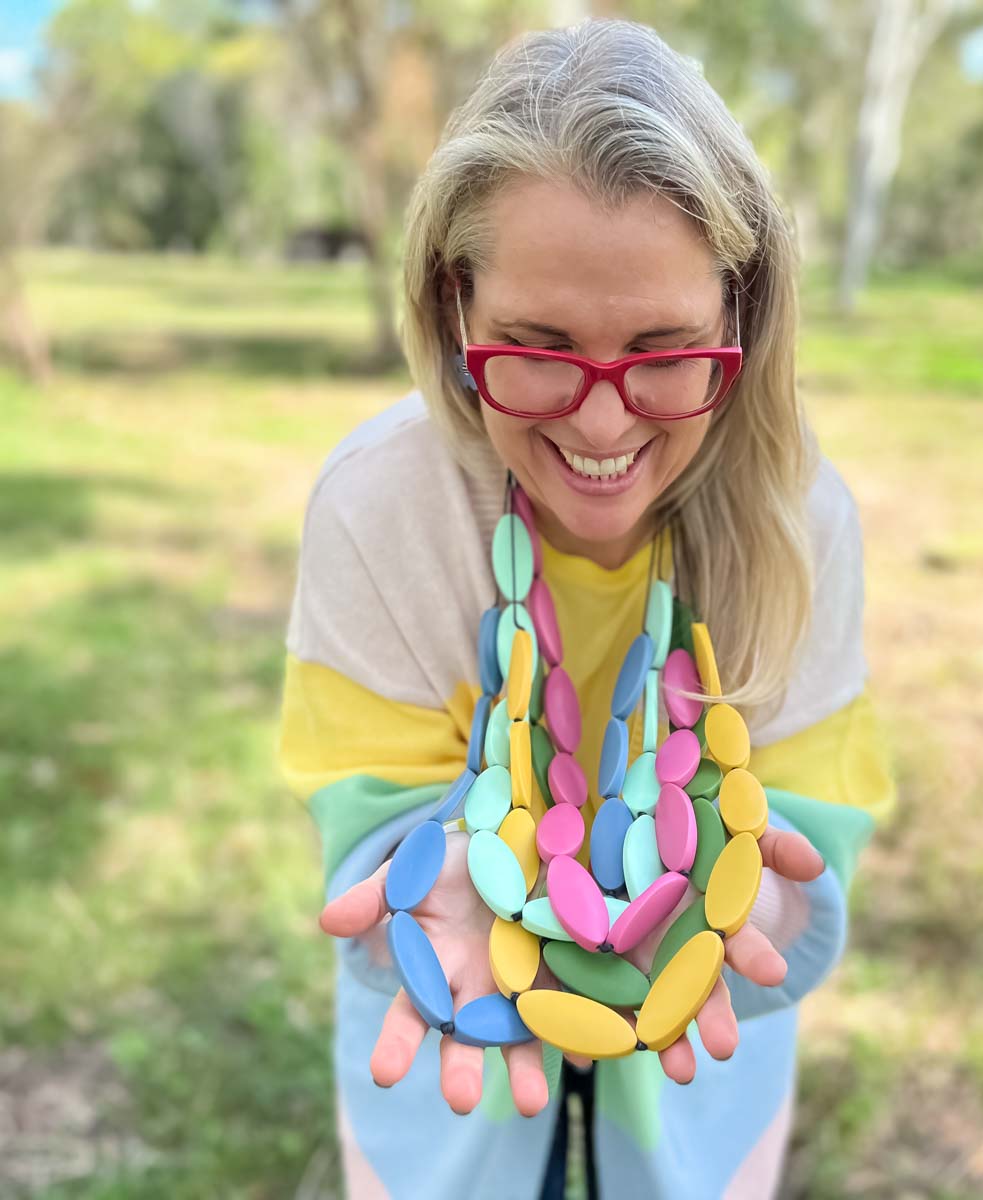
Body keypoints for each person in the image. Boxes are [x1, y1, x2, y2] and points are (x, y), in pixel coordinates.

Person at [276, 17, 896, 1200]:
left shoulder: (802, 522)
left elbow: (806, 880)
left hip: (694, 1100)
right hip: (450, 1073)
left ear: (742, 314)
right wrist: (428, 888)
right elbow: (366, 833)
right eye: (537, 348)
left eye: (666, 352)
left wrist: (731, 897)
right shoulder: (378, 507)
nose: (601, 427)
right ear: (457, 304)